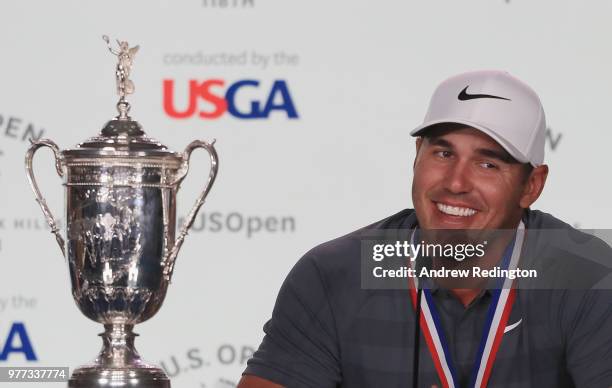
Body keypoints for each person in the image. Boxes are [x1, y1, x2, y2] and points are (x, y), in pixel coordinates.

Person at [238, 70, 612, 388]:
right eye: (443, 153)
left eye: (488, 165)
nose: (455, 182)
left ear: (531, 186)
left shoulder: (589, 278)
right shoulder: (335, 275)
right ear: (417, 155)